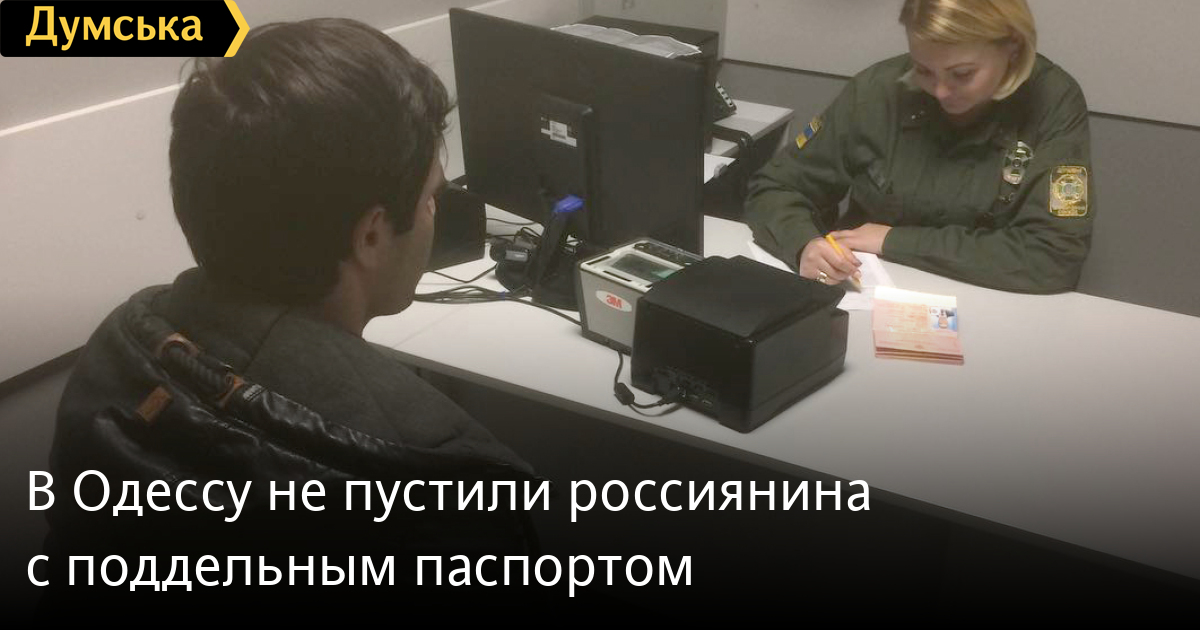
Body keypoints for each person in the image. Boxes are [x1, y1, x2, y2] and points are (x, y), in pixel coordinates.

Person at [43, 18, 537, 608]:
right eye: (432, 197)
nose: (436, 213)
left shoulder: (120, 351)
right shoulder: (443, 483)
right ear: (371, 235)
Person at [745, 0, 1093, 293]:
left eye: (962, 74)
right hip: (866, 290)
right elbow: (775, 188)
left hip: (991, 298)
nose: (940, 91)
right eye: (923, 70)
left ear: (1012, 49)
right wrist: (804, 244)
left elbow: (1054, 257)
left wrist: (893, 240)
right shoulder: (878, 90)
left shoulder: (1051, 101)